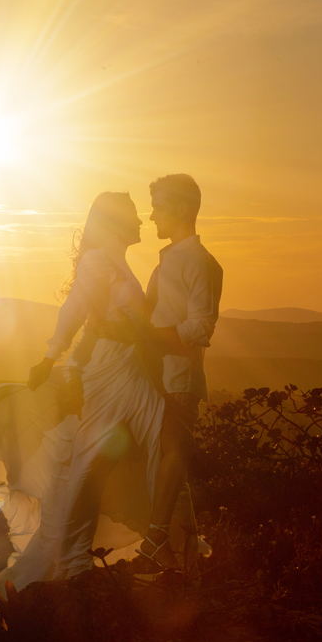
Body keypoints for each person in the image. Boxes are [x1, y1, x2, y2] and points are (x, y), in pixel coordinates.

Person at [0, 192, 166, 601]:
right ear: (115, 224)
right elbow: (75, 308)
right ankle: (68, 567)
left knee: (157, 449)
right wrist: (51, 356)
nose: (141, 222)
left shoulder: (118, 261)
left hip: (131, 368)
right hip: (110, 371)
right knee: (87, 469)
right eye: (133, 217)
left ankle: (165, 548)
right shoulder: (98, 260)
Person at [135, 173, 223, 572]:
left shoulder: (202, 263)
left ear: (183, 209)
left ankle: (156, 543)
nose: (152, 215)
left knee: (174, 453)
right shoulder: (169, 259)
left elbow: (201, 327)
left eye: (159, 207)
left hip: (178, 376)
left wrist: (150, 337)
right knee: (166, 465)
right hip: (153, 373)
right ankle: (181, 557)